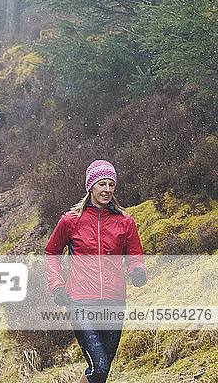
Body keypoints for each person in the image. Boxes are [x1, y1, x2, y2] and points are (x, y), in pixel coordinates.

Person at [44, 159, 148, 383]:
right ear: (91, 186)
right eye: (102, 184)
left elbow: (135, 255)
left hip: (114, 301)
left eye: (111, 184)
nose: (107, 189)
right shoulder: (71, 221)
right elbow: (51, 253)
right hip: (80, 302)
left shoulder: (125, 221)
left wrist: (138, 270)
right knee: (98, 365)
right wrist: (57, 286)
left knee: (100, 371)